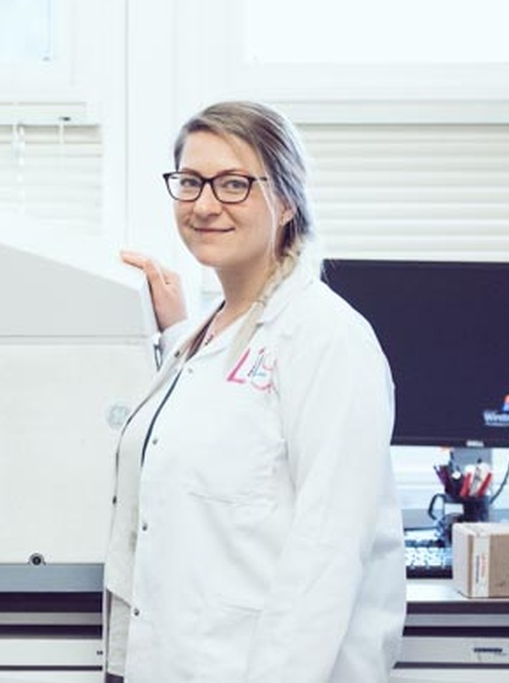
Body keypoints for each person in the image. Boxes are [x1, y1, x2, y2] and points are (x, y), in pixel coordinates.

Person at [104, 101, 407, 682]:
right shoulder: (204, 333)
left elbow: (327, 551)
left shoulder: (326, 338)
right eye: (190, 182)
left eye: (234, 184)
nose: (205, 204)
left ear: (287, 202)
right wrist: (175, 332)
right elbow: (221, 445)